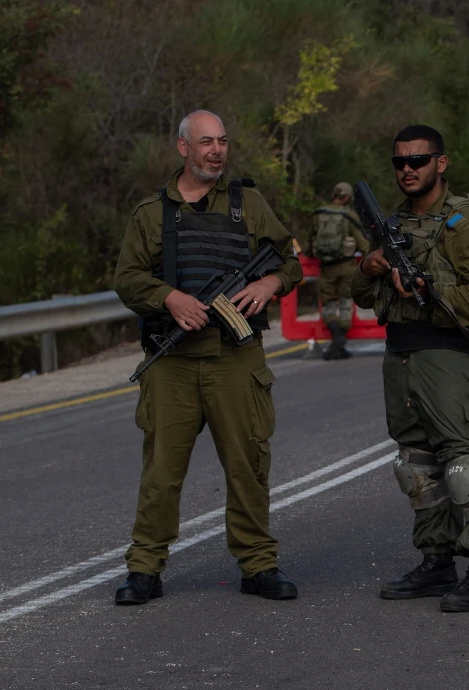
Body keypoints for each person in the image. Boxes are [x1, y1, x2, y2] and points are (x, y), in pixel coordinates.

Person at [112, 109, 304, 604]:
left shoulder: (248, 204)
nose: (216, 151)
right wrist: (169, 298)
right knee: (162, 472)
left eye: (222, 141)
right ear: (183, 148)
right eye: (206, 142)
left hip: (235, 359)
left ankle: (258, 564)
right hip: (171, 363)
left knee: (248, 466)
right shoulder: (151, 213)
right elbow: (127, 278)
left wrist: (268, 283)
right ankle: (145, 569)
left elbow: (290, 261)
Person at [351, 124, 469, 613]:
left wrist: (427, 287)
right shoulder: (392, 224)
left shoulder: (464, 224)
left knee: (463, 466)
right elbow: (362, 297)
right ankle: (437, 561)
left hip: (448, 359)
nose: (407, 169)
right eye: (399, 162)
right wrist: (369, 268)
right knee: (416, 467)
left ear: (440, 163)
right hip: (401, 357)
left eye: (418, 160)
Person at [309, 181, 370, 360]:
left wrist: (309, 254)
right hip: (346, 267)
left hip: (325, 268)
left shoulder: (318, 214)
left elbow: (310, 239)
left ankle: (336, 339)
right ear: (347, 198)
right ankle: (339, 341)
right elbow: (362, 243)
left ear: (333, 195)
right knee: (345, 303)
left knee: (328, 305)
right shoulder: (349, 215)